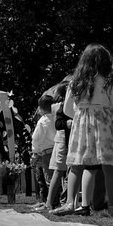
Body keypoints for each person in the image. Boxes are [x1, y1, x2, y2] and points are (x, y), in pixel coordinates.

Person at [53, 45, 113, 217]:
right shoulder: (108, 84)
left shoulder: (75, 83)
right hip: (105, 124)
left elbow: (67, 110)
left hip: (82, 123)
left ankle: (75, 204)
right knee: (109, 165)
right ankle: (112, 205)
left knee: (78, 164)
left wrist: (82, 111)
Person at [41, 84, 70, 212]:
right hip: (62, 139)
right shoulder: (59, 107)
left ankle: (52, 201)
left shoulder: (55, 106)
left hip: (59, 140)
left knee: (59, 172)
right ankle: (53, 201)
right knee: (60, 171)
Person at [30, 94, 56, 206]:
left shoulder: (42, 121)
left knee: (49, 177)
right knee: (58, 176)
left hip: (46, 152)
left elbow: (36, 138)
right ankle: (56, 200)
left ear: (40, 108)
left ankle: (50, 201)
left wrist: (35, 151)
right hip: (57, 149)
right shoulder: (56, 118)